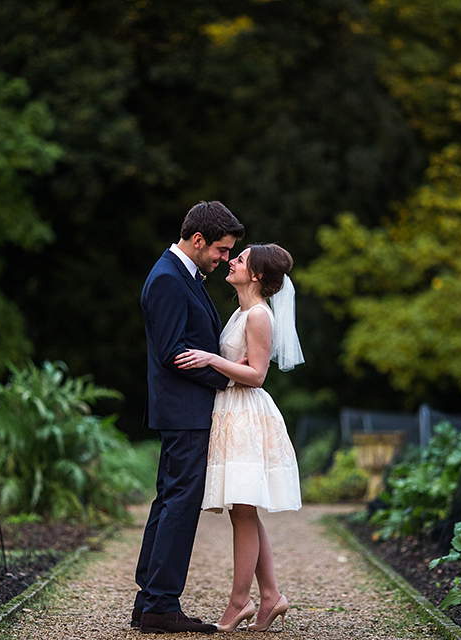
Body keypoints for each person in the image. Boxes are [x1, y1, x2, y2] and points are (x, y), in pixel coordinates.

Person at [175, 243, 304, 633]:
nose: (232, 261)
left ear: (258, 276)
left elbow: (259, 375)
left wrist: (211, 358)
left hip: (246, 414)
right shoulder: (243, 311)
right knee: (243, 510)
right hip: (231, 410)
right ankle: (269, 597)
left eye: (242, 259)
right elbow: (242, 365)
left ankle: (239, 600)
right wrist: (226, 364)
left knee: (244, 511)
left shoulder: (259, 316)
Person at [133, 201, 245, 634]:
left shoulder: (182, 275)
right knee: (178, 505)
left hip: (184, 411)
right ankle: (161, 605)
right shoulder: (166, 279)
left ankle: (149, 602)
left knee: (169, 501)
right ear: (198, 240)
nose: (223, 258)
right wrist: (226, 379)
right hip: (184, 412)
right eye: (220, 249)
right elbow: (172, 353)